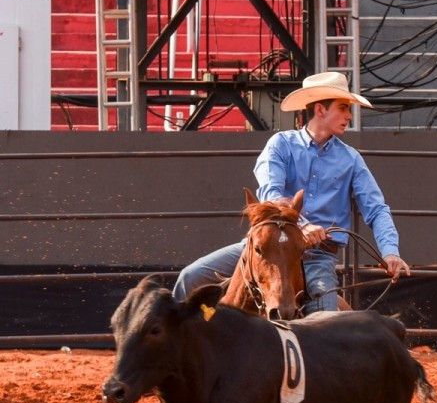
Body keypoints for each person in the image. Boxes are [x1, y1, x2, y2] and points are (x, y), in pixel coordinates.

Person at [173, 72, 410, 312]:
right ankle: (177, 346)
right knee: (190, 278)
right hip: (269, 248)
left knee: (323, 322)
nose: (349, 115)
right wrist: (303, 225)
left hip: (317, 256)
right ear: (320, 110)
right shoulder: (281, 144)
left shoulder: (351, 159)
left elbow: (376, 208)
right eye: (343, 107)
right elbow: (270, 193)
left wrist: (390, 252)